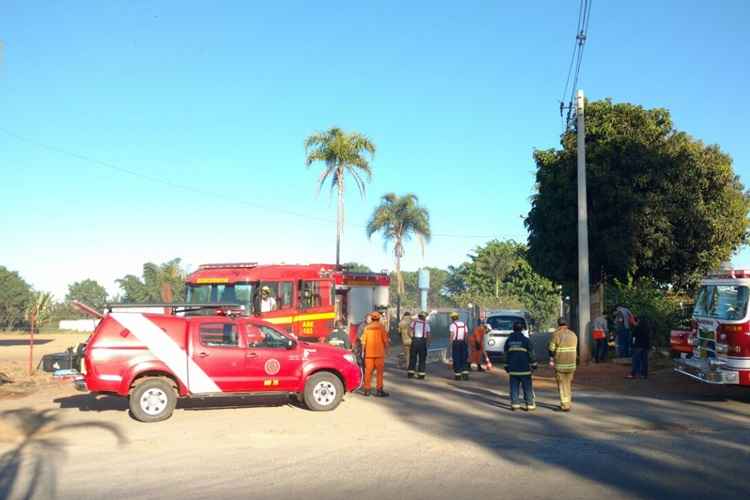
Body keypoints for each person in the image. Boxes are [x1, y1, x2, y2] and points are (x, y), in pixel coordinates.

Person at [504, 321, 537, 411]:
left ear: (513, 329)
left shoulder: (509, 341)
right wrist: (534, 364)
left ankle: (515, 404)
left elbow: (506, 354)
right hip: (525, 369)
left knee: (514, 387)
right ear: (522, 329)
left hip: (513, 369)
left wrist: (506, 366)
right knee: (527, 387)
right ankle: (529, 404)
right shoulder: (526, 340)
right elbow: (531, 354)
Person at [548, 317, 578, 412]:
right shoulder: (573, 334)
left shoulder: (556, 334)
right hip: (572, 364)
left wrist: (551, 359)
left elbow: (551, 349)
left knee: (562, 385)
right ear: (566, 324)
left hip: (561, 364)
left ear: (558, 324)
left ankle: (565, 405)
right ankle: (567, 403)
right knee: (568, 384)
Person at [360, 311, 390, 397]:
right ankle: (379, 390)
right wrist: (387, 351)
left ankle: (367, 390)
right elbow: (385, 341)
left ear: (372, 318)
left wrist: (363, 351)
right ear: (379, 318)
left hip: (368, 354)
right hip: (379, 354)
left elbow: (363, 341)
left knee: (368, 372)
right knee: (379, 373)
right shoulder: (381, 327)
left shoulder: (367, 328)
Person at [628, 314, 652, 379]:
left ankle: (633, 374)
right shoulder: (647, 327)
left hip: (638, 345)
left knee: (636, 360)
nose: (630, 321)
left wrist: (632, 345)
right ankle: (644, 374)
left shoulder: (637, 327)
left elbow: (634, 337)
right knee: (644, 360)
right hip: (646, 345)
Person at [408, 311, 430, 379]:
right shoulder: (426, 325)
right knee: (422, 358)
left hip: (415, 341)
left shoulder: (413, 323)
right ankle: (421, 374)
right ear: (423, 317)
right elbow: (428, 335)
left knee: (412, 357)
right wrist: (428, 343)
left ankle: (410, 374)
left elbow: (409, 331)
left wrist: (412, 337)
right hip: (422, 341)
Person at [449, 312, 470, 381]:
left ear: (452, 318)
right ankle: (465, 374)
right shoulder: (464, 324)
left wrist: (450, 343)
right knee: (464, 357)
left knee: (456, 358)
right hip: (463, 342)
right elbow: (466, 335)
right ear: (458, 317)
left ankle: (458, 375)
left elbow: (452, 335)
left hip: (456, 343)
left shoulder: (452, 325)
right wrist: (466, 343)